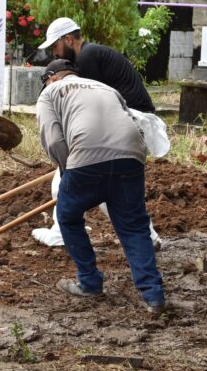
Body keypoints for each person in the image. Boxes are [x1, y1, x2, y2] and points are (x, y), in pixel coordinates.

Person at [36, 59, 166, 314]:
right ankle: (154, 296)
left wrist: (67, 171)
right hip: (131, 156)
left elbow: (53, 140)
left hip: (86, 157)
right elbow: (133, 122)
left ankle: (89, 282)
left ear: (52, 78)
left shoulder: (49, 93)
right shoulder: (106, 88)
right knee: (134, 227)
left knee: (67, 216)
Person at [31, 17, 168, 247]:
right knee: (105, 182)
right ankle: (146, 236)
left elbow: (88, 106)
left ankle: (62, 233)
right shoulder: (92, 53)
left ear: (68, 39)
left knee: (98, 180)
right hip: (129, 122)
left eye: (55, 46)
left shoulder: (87, 57)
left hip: (131, 120)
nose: (55, 53)